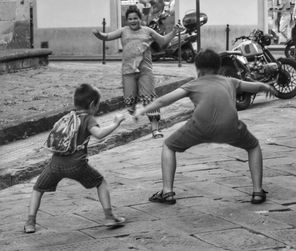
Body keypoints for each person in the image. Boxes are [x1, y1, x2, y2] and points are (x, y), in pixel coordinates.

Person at [133, 49, 277, 205]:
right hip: (230, 127)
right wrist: (265, 86)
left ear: (198, 68)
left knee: (168, 146)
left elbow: (163, 101)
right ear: (219, 67)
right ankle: (257, 192)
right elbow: (253, 87)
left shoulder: (192, 84)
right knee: (253, 146)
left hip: (199, 127)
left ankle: (167, 192)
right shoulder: (230, 81)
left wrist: (141, 110)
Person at [24, 83, 126, 233]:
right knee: (101, 182)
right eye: (97, 105)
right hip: (77, 165)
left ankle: (30, 222)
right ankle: (109, 217)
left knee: (38, 189)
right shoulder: (88, 119)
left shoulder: (67, 117)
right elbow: (98, 134)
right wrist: (115, 123)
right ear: (92, 105)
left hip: (55, 164)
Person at [93, 5, 181, 139]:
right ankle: (133, 110)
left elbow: (163, 41)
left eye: (135, 18)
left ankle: (155, 129)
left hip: (145, 71)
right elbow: (108, 36)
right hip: (128, 72)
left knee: (149, 100)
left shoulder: (148, 31)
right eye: (130, 19)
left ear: (140, 19)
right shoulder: (123, 31)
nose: (133, 21)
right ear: (127, 20)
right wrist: (99, 35)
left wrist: (174, 32)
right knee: (129, 102)